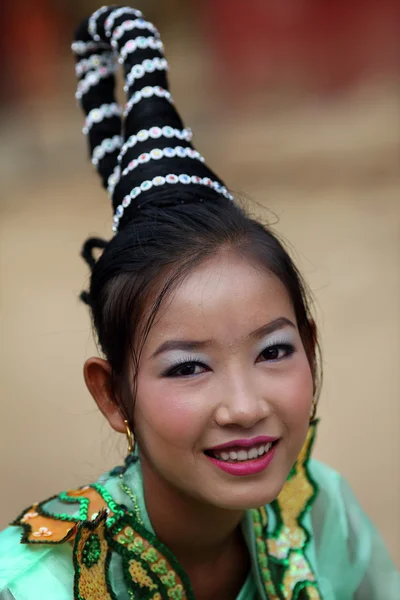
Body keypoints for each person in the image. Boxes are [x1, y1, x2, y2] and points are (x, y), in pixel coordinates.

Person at [0, 5, 398, 599]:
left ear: (310, 349)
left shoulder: (319, 515)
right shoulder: (34, 584)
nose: (243, 407)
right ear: (114, 395)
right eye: (188, 366)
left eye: (273, 351)